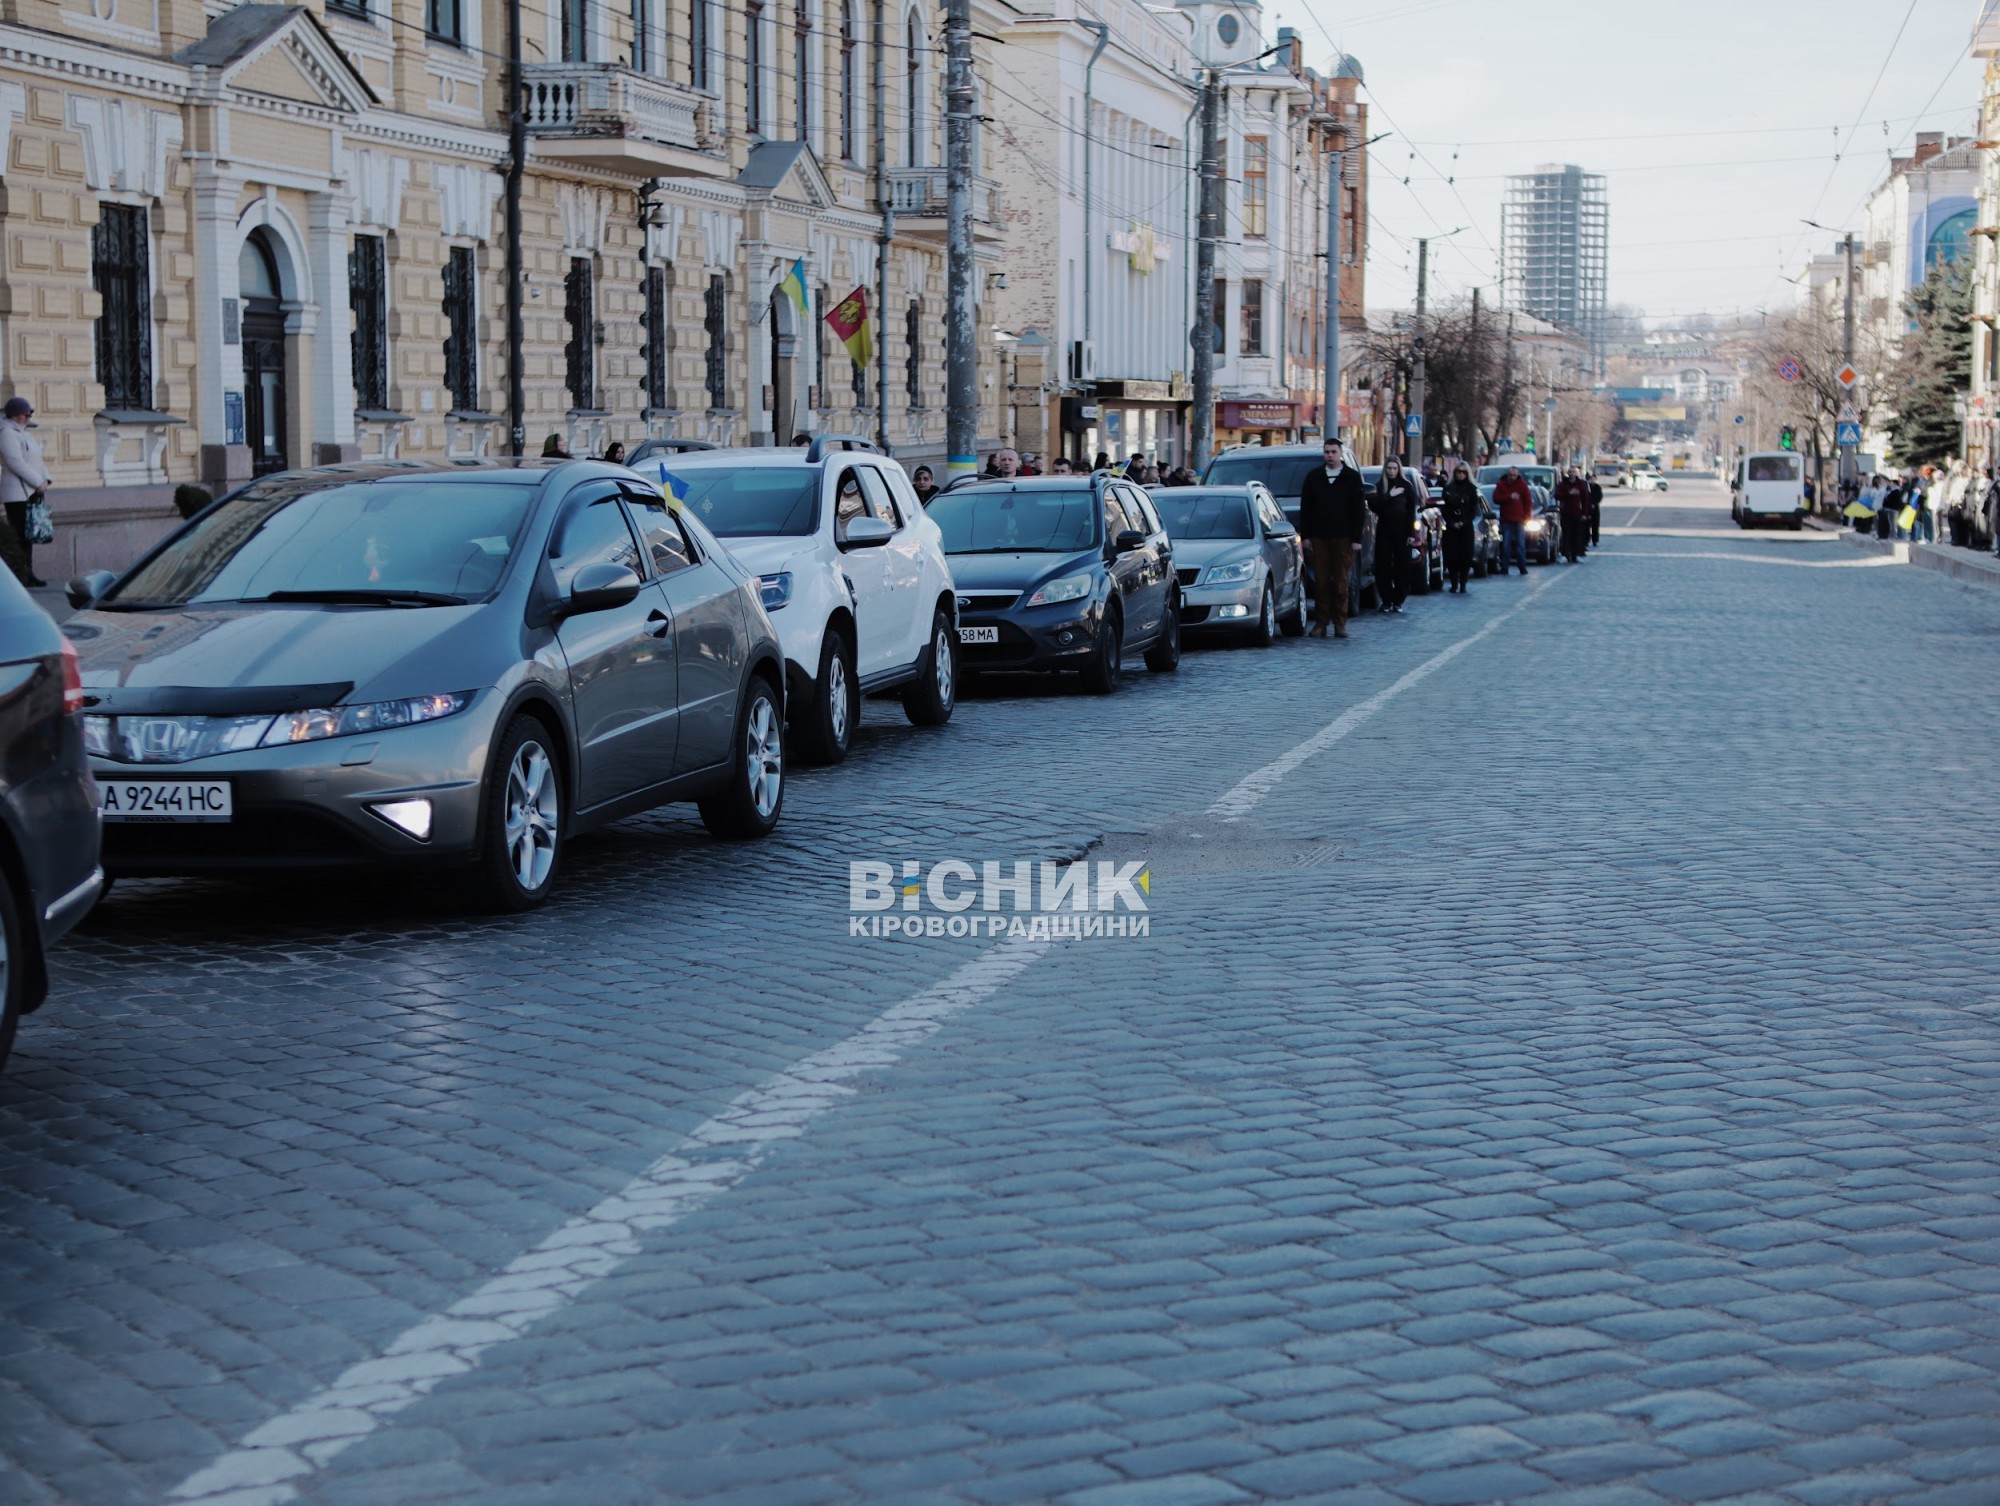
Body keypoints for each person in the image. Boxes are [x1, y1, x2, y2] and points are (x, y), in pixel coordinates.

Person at [1297, 438, 1365, 638]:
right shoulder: (1314, 477)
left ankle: (1340, 623)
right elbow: (1306, 508)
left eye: (1334, 451)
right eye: (1327, 452)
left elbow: (1358, 510)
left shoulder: (1351, 478)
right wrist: (1306, 535)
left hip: (1344, 538)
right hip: (1319, 537)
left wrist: (1356, 538)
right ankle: (1321, 623)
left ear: (1340, 453)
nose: (1330, 455)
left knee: (1341, 582)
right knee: (1321, 582)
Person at [1, 396, 50, 586]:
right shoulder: (7, 433)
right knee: (20, 535)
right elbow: (15, 462)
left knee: (28, 535)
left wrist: (45, 479)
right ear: (15, 415)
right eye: (25, 413)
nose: (29, 417)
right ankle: (21, 575)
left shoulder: (24, 433)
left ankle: (28, 572)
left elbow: (37, 459)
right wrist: (37, 482)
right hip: (16, 493)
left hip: (31, 491)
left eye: (29, 413)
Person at [1369, 457, 1421, 614]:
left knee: (1402, 566)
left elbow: (1412, 511)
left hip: (1402, 530)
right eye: (1389, 468)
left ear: (1399, 470)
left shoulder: (1407, 487)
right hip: (1385, 528)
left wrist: (1411, 533)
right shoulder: (1380, 486)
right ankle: (1386, 600)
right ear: (1385, 469)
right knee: (1382, 565)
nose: (1392, 471)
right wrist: (1389, 495)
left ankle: (1398, 600)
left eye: (1394, 468)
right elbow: (1375, 506)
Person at [1438, 463, 1481, 593]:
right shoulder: (1448, 489)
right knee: (1451, 556)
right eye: (1458, 472)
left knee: (1465, 557)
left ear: (1467, 474)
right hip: (1451, 527)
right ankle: (1453, 583)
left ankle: (1463, 583)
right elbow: (1444, 508)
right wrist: (1451, 522)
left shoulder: (1472, 489)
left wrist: (1464, 522)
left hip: (1466, 528)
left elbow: (1473, 510)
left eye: (1463, 472)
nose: (1461, 474)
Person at [1494, 464, 1534, 575]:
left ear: (1518, 475)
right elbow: (1496, 498)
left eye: (1514, 475)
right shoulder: (1501, 484)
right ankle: (1505, 567)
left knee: (1521, 545)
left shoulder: (1522, 485)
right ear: (1507, 474)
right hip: (1506, 519)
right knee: (1506, 546)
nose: (1512, 477)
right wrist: (1509, 496)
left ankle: (1522, 567)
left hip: (1519, 520)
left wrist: (1527, 516)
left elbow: (1528, 502)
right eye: (1510, 475)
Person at [1555, 467, 1591, 563]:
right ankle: (1566, 555)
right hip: (1566, 513)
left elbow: (1586, 500)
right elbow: (1557, 495)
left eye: (1573, 472)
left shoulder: (1581, 485)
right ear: (1567, 473)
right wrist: (1568, 494)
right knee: (1566, 535)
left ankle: (1576, 555)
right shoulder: (1563, 484)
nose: (1571, 474)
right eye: (1570, 472)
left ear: (1577, 473)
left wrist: (1585, 513)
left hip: (1578, 514)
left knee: (1577, 535)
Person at [1586, 470, 1604, 548]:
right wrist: (1589, 504)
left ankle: (1595, 540)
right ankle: (1586, 540)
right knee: (1586, 526)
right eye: (1591, 479)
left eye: (1594, 479)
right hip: (1587, 508)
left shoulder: (1598, 487)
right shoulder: (1587, 487)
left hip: (1595, 508)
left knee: (1595, 525)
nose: (1593, 480)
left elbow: (1599, 497)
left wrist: (1594, 503)